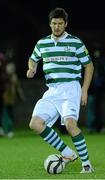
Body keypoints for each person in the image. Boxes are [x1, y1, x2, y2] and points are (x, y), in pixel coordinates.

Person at [27, 8, 94, 173]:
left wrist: (84, 90)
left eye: (60, 23)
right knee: (35, 124)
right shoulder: (42, 43)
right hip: (52, 90)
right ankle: (68, 153)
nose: (57, 26)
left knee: (71, 125)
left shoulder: (75, 42)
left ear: (66, 24)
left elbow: (89, 65)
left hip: (70, 88)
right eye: (54, 23)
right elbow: (33, 59)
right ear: (50, 24)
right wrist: (32, 69)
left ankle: (87, 165)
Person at [2, 61, 25, 137]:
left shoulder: (14, 77)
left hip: (11, 100)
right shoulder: (3, 77)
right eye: (10, 68)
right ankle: (6, 130)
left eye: (13, 68)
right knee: (6, 116)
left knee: (10, 116)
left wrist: (21, 97)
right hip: (3, 100)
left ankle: (9, 130)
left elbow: (18, 88)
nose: (11, 69)